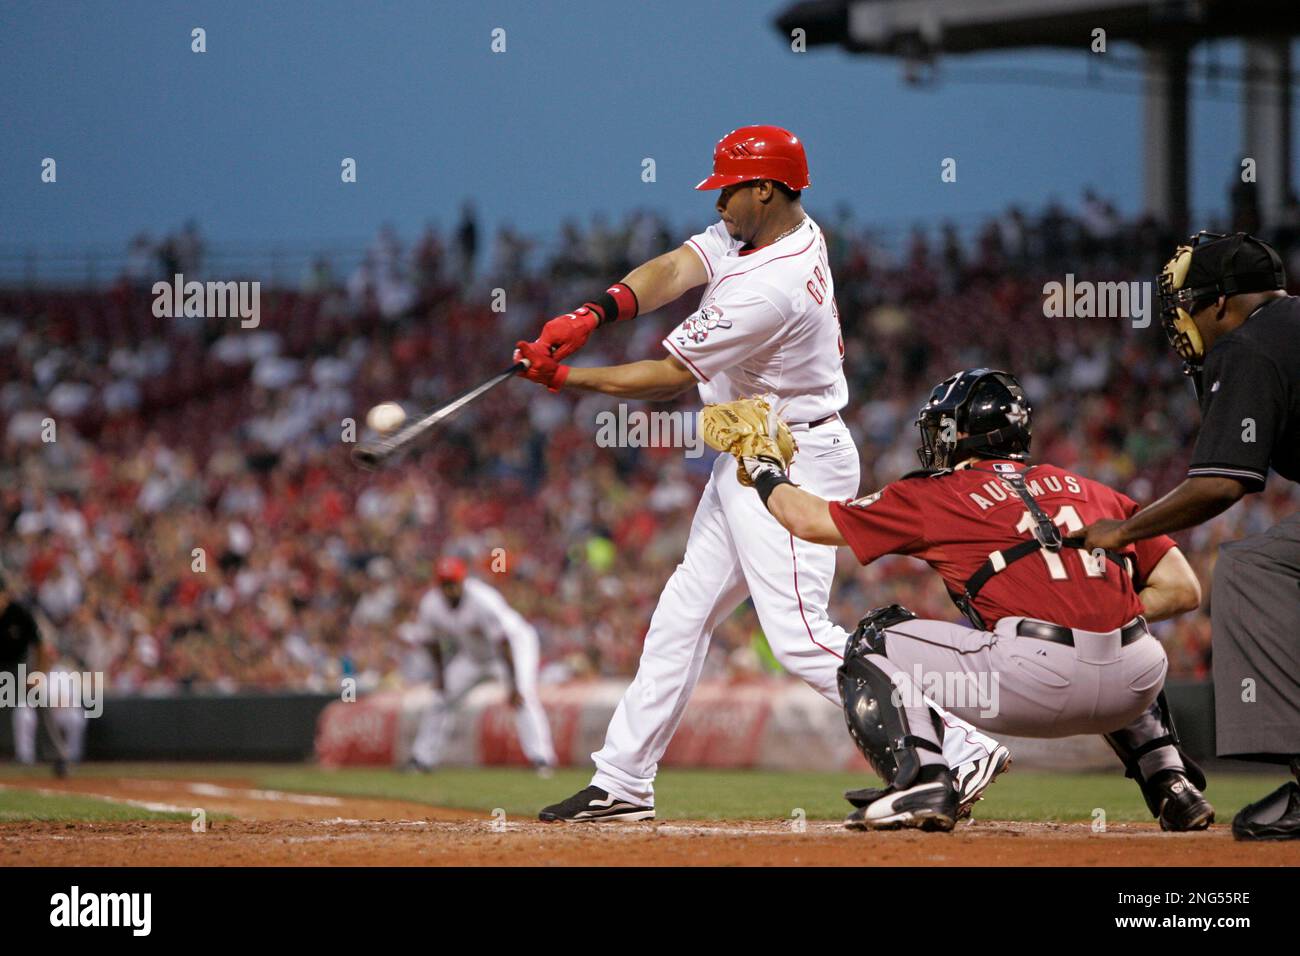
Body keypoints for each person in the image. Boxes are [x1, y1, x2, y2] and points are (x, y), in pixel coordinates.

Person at [513, 125, 1007, 823]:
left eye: (728, 191)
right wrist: (594, 311)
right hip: (756, 448)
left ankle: (955, 745)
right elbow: (678, 266)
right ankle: (622, 781)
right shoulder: (770, 232)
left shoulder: (770, 285)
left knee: (803, 638)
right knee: (681, 617)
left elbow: (663, 379)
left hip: (793, 457)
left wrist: (566, 377)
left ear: (767, 190)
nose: (718, 204)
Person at [707, 370, 1211, 831]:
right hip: (1137, 680)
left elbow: (808, 520)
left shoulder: (940, 492)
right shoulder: (1090, 489)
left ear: (957, 433)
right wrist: (1101, 619)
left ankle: (924, 778)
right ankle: (1171, 782)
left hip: (1034, 682)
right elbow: (1184, 590)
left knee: (875, 638)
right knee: (1122, 632)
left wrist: (765, 466)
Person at [1084, 231, 1300, 841]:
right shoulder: (1287, 328)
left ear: (1223, 304)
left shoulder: (1252, 343)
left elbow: (1220, 486)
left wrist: (1123, 529)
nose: (1184, 324)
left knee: (1255, 569)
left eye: (1189, 307)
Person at [402, 557, 556, 774]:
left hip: (514, 647)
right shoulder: (431, 604)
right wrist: (440, 676)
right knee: (440, 697)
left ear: (462, 580)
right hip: (474, 656)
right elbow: (430, 642)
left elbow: (503, 642)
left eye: (453, 582)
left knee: (523, 695)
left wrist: (513, 685)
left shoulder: (483, 600)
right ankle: (422, 759)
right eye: (445, 583)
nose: (450, 588)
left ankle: (541, 758)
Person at [0, 574, 66, 777]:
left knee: (41, 705)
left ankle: (58, 756)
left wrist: (38, 674)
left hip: (21, 667)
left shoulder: (19, 612)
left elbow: (40, 646)